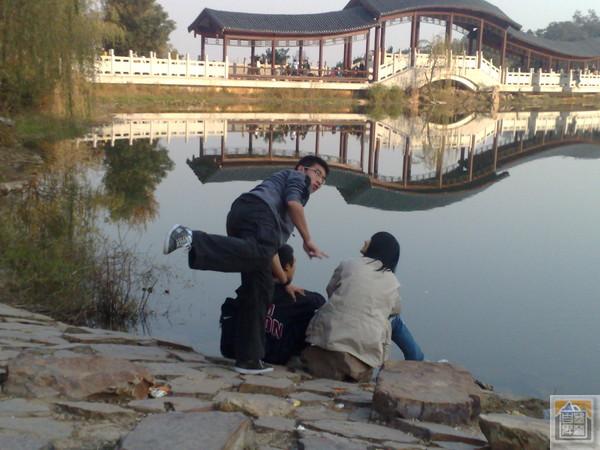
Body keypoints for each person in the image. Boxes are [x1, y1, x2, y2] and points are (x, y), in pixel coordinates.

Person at [163, 155, 329, 375]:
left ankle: (249, 359)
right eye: (317, 173)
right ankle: (190, 238)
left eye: (323, 179)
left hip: (247, 216)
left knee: (260, 289)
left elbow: (269, 251)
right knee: (259, 258)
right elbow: (293, 204)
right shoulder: (298, 179)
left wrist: (284, 282)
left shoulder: (281, 210)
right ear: (301, 168)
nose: (319, 181)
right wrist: (307, 239)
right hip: (257, 212)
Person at [303, 232, 423, 382]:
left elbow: (330, 290)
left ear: (376, 246)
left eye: (370, 240)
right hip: (363, 346)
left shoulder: (348, 264)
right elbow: (395, 309)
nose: (365, 241)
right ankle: (417, 360)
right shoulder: (392, 281)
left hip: (327, 335)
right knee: (394, 321)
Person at [220, 244, 326, 365]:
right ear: (287, 267)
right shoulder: (297, 299)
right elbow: (321, 302)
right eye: (294, 263)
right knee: (308, 314)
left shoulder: (249, 289)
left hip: (235, 351)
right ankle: (297, 357)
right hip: (274, 356)